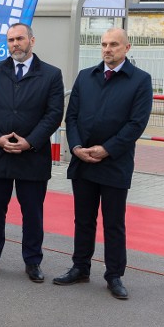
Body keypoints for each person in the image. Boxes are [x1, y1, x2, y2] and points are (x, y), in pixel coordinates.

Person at [53, 27, 152, 300]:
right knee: (83, 220)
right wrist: (75, 148)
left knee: (113, 223)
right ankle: (80, 267)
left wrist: (106, 150)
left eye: (114, 45)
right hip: (83, 161)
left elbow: (136, 124)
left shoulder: (140, 81)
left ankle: (114, 275)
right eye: (104, 44)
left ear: (127, 48)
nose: (108, 49)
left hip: (114, 164)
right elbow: (70, 117)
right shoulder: (86, 77)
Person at [0, 23, 64, 283]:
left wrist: (30, 141)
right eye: (11, 40)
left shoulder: (51, 74)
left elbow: (54, 114)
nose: (15, 44)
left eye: (20, 39)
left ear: (32, 41)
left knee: (33, 213)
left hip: (32, 156)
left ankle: (33, 262)